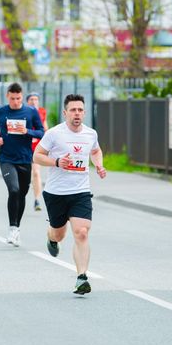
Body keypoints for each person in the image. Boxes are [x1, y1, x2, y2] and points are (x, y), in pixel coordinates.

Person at [34, 94, 106, 295]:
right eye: (73, 110)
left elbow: (95, 151)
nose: (77, 113)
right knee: (59, 233)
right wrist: (57, 162)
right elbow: (37, 156)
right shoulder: (54, 134)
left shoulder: (90, 134)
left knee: (82, 232)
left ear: (84, 112)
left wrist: (99, 165)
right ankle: (51, 238)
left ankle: (82, 277)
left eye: (80, 110)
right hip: (56, 193)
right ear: (65, 113)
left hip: (80, 191)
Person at [0, 83, 44, 247]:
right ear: (7, 96)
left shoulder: (30, 111)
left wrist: (28, 131)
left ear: (22, 96)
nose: (15, 101)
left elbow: (41, 132)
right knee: (13, 190)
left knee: (22, 194)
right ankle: (12, 228)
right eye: (12, 98)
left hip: (25, 159)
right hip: (7, 159)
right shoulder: (1, 111)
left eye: (18, 98)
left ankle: (17, 228)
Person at [26, 92, 49, 211]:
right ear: (27, 101)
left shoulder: (42, 111)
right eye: (31, 99)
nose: (34, 101)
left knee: (36, 172)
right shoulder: (23, 112)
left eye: (36, 99)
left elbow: (45, 128)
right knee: (25, 174)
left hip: (36, 147)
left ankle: (37, 200)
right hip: (24, 147)